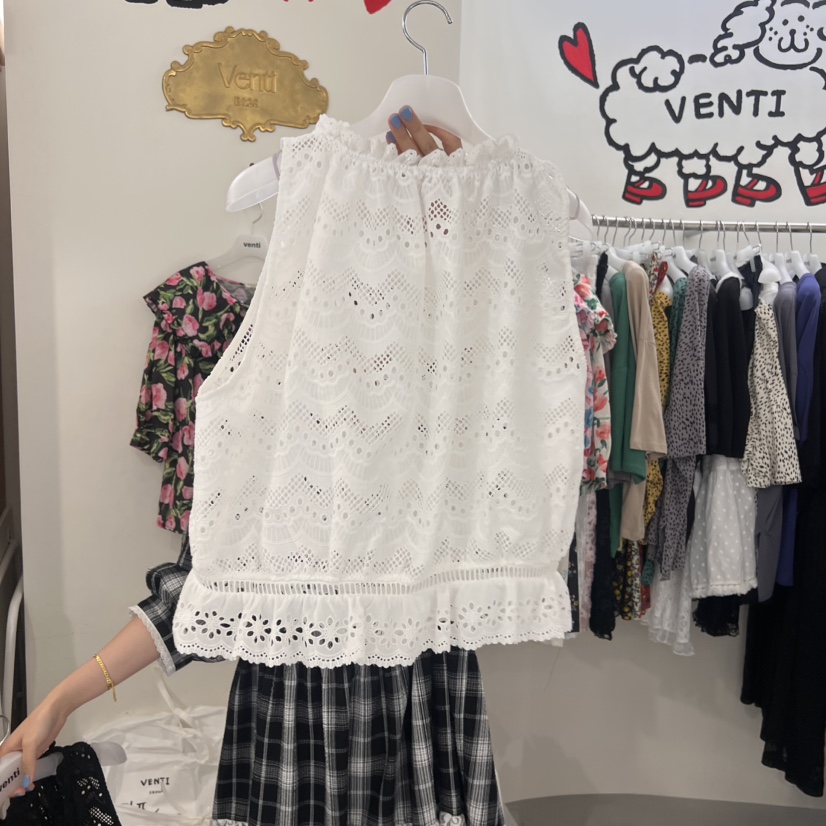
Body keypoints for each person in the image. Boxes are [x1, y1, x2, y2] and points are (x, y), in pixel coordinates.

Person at [0, 108, 465, 800]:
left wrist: (465, 221)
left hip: (416, 722)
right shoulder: (270, 410)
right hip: (294, 731)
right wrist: (63, 697)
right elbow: (196, 594)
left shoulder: (449, 397)